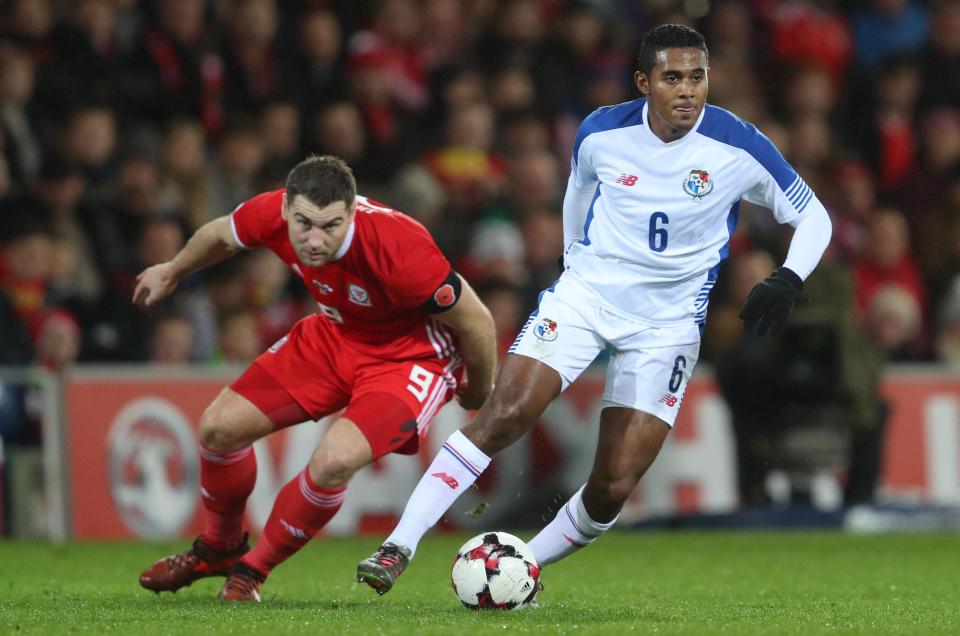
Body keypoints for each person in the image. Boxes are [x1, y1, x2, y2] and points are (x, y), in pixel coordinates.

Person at [356, 24, 833, 598]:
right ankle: (398, 545)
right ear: (644, 81)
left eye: (698, 76)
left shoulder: (738, 144)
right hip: (588, 297)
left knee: (613, 484)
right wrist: (573, 265)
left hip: (668, 326)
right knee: (503, 416)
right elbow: (577, 196)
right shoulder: (601, 133)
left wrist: (788, 277)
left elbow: (815, 218)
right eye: (672, 77)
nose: (688, 90)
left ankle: (517, 568)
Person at [134, 155, 496, 602]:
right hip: (334, 335)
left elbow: (477, 320)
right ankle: (219, 548)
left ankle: (251, 571)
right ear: (285, 209)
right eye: (304, 223)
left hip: (410, 359)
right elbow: (220, 235)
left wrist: (478, 387)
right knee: (218, 428)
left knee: (333, 461)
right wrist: (172, 269)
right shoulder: (270, 212)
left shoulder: (398, 247)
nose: (315, 239)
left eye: (331, 226)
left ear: (352, 213)